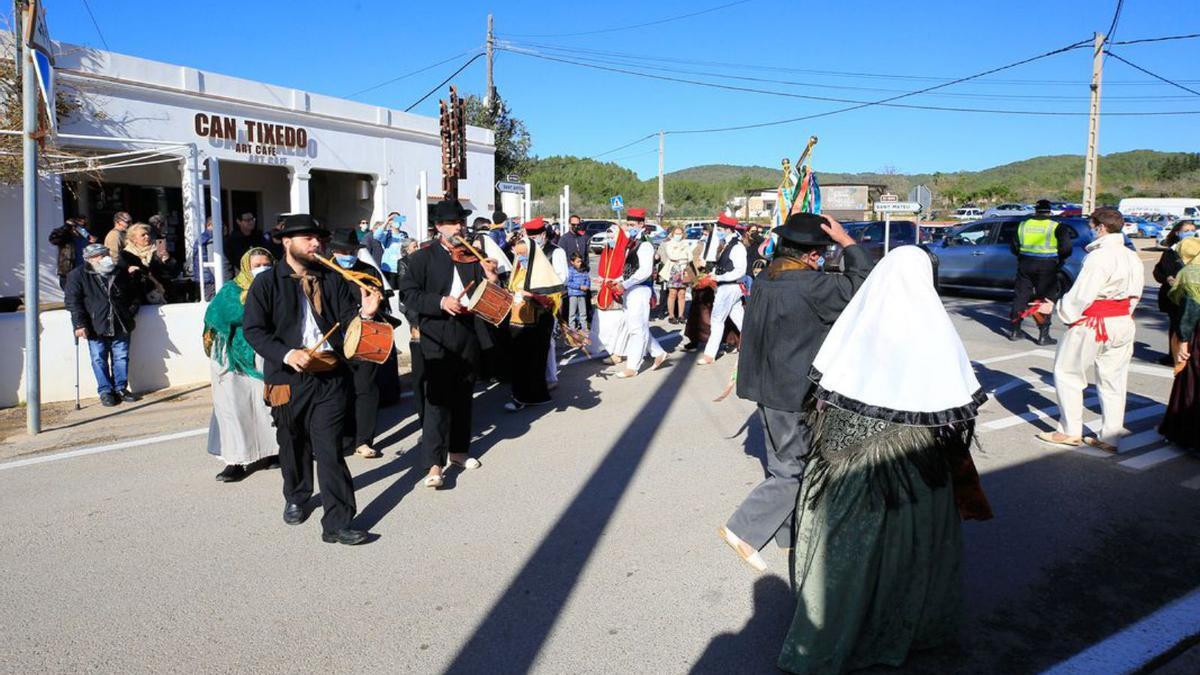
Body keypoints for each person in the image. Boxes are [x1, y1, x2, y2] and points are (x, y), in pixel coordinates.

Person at [778, 245, 992, 675]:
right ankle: (903, 630)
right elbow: (951, 400)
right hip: (915, 467)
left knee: (844, 556)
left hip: (844, 464)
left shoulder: (858, 320)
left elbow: (825, 390)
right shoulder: (933, 326)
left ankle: (829, 635)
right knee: (907, 552)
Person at [720, 212, 869, 571]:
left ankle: (789, 534)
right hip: (792, 390)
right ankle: (742, 529)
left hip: (765, 386)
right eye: (821, 252)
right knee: (794, 471)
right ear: (812, 254)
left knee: (781, 464)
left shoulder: (765, 278)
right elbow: (864, 283)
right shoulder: (813, 285)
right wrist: (848, 242)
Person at [242, 214, 382, 546]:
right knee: (292, 442)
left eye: (317, 237)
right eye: (307, 237)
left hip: (330, 375)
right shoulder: (267, 283)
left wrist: (365, 314)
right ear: (286, 242)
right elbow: (254, 331)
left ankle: (338, 522)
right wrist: (288, 354)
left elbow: (348, 320)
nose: (315, 243)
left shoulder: (331, 279)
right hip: (288, 377)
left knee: (330, 449)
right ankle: (297, 494)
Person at [396, 200, 500, 488]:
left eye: (462, 222)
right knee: (437, 401)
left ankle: (457, 451)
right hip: (436, 333)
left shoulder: (472, 256)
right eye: (454, 223)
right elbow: (408, 294)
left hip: (467, 332)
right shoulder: (422, 258)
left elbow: (487, 296)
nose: (460, 227)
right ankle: (433, 464)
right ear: (439, 227)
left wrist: (492, 278)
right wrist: (441, 301)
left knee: (463, 397)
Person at [1037, 208, 1144, 453]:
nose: (1091, 229)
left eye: (1092, 225)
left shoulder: (1099, 257)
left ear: (1101, 227)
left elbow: (1082, 294)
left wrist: (1061, 311)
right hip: (1122, 321)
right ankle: (1111, 436)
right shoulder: (1131, 256)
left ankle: (1070, 430)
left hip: (1093, 322)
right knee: (1114, 380)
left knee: (1068, 374)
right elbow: (1135, 294)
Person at [203, 247, 279, 482]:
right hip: (232, 359)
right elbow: (218, 316)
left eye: (266, 263)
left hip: (265, 354)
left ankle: (270, 453)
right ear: (246, 267)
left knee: (265, 407)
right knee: (233, 410)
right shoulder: (230, 290)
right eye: (256, 265)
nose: (261, 268)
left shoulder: (279, 288)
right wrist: (251, 305)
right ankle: (234, 461)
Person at [327, 228, 393, 459]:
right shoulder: (325, 272)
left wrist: (375, 301)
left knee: (366, 389)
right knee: (339, 391)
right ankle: (344, 438)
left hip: (365, 336)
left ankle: (364, 440)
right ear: (334, 251)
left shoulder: (367, 271)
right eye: (344, 251)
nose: (349, 254)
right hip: (334, 340)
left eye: (352, 251)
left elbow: (383, 303)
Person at [64, 243, 142, 407]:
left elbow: (133, 294)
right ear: (90, 259)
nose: (107, 257)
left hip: (120, 321)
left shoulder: (119, 271)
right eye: (101, 255)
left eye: (106, 253)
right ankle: (106, 391)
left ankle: (120, 388)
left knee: (121, 357)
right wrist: (79, 324)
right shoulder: (77, 275)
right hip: (95, 324)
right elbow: (73, 302)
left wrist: (130, 312)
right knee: (98, 359)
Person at [505, 219, 564, 411]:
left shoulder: (553, 255)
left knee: (534, 359)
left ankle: (527, 395)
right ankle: (527, 394)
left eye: (522, 256)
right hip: (518, 319)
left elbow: (556, 288)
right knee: (524, 360)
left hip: (538, 319)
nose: (519, 258)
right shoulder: (519, 267)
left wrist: (534, 296)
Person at [1009, 199, 1073, 345]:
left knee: (1020, 297)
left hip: (1025, 264)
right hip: (1047, 266)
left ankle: (1015, 331)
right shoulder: (1057, 226)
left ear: (1036, 211)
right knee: (1044, 300)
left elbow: (1013, 247)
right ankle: (1043, 335)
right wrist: (1060, 261)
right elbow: (1066, 249)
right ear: (1049, 212)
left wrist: (1023, 256)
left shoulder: (1023, 225)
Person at [614, 208, 668, 378]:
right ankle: (658, 352)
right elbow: (630, 268)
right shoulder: (633, 243)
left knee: (636, 329)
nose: (629, 228)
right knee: (636, 326)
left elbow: (645, 271)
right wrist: (617, 280)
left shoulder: (644, 245)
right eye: (628, 224)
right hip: (631, 288)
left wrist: (625, 283)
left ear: (641, 224)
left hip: (640, 289)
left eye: (632, 225)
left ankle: (633, 366)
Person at [1160, 238, 1200, 450]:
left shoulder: (1192, 274)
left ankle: (1188, 435)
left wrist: (1183, 341)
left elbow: (1189, 310)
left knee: (1192, 383)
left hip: (1198, 335)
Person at [698, 214, 749, 365]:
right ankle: (757, 346)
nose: (718, 231)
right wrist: (712, 275)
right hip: (726, 286)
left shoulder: (737, 247)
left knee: (717, 320)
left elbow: (740, 271)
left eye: (720, 229)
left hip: (730, 287)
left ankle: (709, 354)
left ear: (728, 229)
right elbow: (722, 267)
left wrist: (718, 278)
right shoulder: (726, 244)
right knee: (741, 320)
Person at [1152, 220, 1197, 365]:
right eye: (1186, 230)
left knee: (1190, 326)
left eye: (1192, 229)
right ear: (1177, 233)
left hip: (1192, 296)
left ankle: (1189, 354)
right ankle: (1173, 354)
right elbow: (1158, 271)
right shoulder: (1170, 252)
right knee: (1175, 326)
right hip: (1173, 296)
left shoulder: (1197, 251)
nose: (1190, 232)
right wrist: (1167, 278)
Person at [121, 223, 172, 304]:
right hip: (140, 296)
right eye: (143, 235)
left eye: (148, 234)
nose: (147, 237)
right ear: (134, 239)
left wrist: (168, 260)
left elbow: (172, 271)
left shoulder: (158, 248)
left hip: (162, 293)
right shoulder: (126, 254)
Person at [657, 225, 692, 324]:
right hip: (674, 270)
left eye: (680, 233)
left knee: (682, 293)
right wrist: (682, 254)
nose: (678, 235)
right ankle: (671, 315)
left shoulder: (686, 243)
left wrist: (682, 254)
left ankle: (681, 315)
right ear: (672, 234)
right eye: (676, 233)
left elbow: (690, 256)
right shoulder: (669, 243)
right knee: (672, 293)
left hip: (684, 270)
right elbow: (672, 256)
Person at [49, 217, 94, 290]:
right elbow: (53, 238)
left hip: (85, 272)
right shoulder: (66, 237)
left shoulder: (86, 237)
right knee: (71, 296)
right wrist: (66, 226)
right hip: (69, 271)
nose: (82, 228)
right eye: (78, 225)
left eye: (84, 225)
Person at [224, 212, 264, 277]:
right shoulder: (232, 241)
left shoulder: (259, 237)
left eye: (252, 219)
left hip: (258, 276)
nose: (251, 222)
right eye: (247, 220)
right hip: (240, 278)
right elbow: (227, 264)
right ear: (239, 222)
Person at [566, 253, 591, 331]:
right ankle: (572, 328)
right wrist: (579, 287)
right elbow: (568, 283)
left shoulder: (584, 270)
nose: (580, 263)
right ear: (572, 262)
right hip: (573, 294)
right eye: (578, 262)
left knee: (583, 312)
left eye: (580, 261)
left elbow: (587, 279)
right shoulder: (570, 270)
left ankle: (584, 328)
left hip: (582, 294)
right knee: (572, 313)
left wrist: (587, 286)